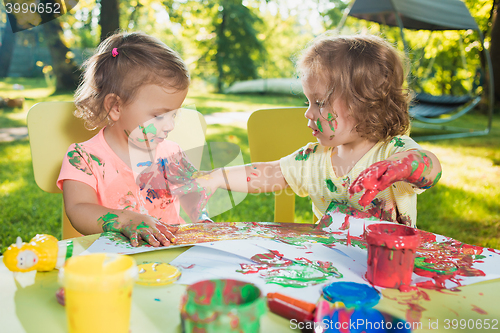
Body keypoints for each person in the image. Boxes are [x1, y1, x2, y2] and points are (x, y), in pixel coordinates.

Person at [192, 34, 442, 228]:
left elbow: (431, 167)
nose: (308, 113)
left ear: (364, 103)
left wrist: (396, 168)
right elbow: (270, 173)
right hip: (329, 269)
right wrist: (215, 178)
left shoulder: (393, 150)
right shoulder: (315, 158)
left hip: (386, 269)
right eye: (307, 102)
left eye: (320, 103)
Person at [57, 32, 208, 247]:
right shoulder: (84, 158)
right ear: (115, 107)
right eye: (158, 116)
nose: (170, 126)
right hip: (111, 262)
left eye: (174, 114)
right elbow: (78, 208)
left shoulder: (171, 153)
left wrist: (201, 218)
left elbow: (192, 192)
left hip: (173, 253)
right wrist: (126, 219)